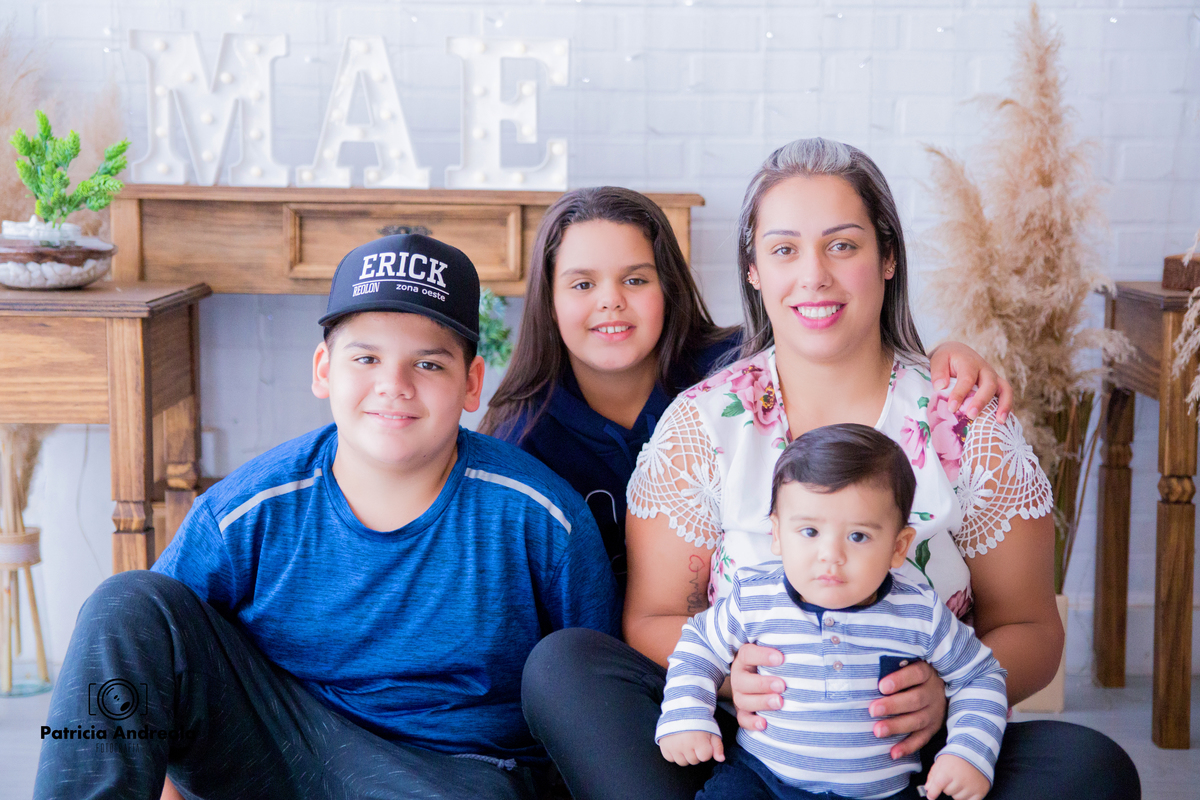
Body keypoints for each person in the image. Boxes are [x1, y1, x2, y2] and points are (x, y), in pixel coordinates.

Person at [521, 138, 1140, 800]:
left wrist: (943, 691)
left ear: (888, 257)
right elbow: (652, 617)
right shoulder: (703, 424)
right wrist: (728, 676)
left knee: (1092, 766)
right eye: (784, 249)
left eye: (842, 245)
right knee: (565, 666)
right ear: (754, 269)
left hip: (915, 758)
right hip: (748, 752)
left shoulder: (965, 424)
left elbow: (1031, 629)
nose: (813, 275)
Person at [34, 234, 618, 800]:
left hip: (448, 771)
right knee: (126, 603)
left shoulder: (541, 516)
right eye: (366, 358)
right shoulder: (249, 509)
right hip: (276, 754)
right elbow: (148, 663)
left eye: (428, 364)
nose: (393, 385)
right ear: (323, 370)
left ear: (471, 383)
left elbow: (594, 694)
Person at [482, 186, 1011, 588]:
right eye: (582, 284)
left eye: (636, 279)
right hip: (623, 649)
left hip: (739, 641)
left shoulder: (733, 374)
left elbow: (835, 346)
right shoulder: (522, 436)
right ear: (548, 300)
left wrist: (945, 357)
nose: (610, 300)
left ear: (669, 287)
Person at [656, 425, 1007, 800]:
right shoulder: (755, 598)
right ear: (777, 534)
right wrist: (687, 713)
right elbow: (698, 645)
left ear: (898, 546)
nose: (831, 555)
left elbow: (981, 676)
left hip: (879, 794)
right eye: (809, 531)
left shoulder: (919, 612)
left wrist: (967, 753)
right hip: (763, 779)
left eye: (858, 536)